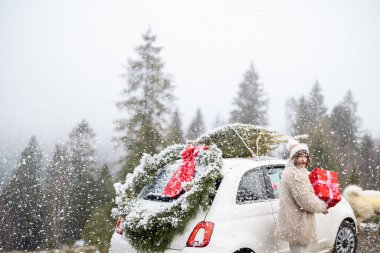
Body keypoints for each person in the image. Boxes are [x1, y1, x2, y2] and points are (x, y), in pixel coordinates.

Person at [274, 139, 328, 253]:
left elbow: (309, 193)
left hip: (299, 221)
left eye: (305, 156)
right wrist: (321, 206)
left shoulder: (301, 172)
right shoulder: (293, 174)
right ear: (293, 157)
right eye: (299, 156)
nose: (303, 159)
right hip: (297, 221)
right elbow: (304, 199)